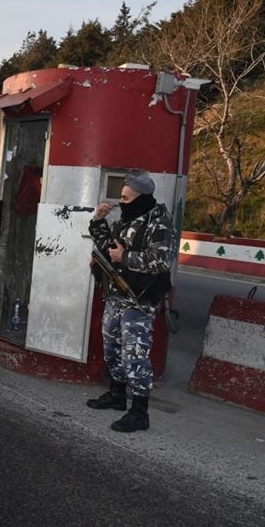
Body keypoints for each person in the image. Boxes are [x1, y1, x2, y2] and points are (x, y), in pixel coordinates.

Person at [86, 171, 176, 433]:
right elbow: (108, 248)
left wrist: (125, 258)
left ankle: (140, 412)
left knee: (134, 356)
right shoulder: (128, 220)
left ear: (141, 197)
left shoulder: (159, 224)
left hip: (138, 300)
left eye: (125, 198)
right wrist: (99, 220)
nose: (121, 202)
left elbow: (161, 260)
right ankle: (117, 395)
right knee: (111, 347)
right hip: (116, 296)